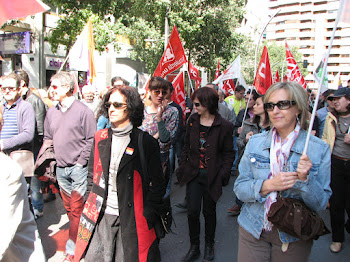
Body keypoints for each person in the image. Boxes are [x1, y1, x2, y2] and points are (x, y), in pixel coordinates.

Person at [234, 81, 332, 262]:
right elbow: (240, 189)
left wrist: (304, 180)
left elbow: (321, 204)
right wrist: (268, 185)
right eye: (270, 105)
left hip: (293, 233)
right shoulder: (256, 143)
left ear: (298, 108)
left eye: (283, 104)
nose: (275, 111)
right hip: (253, 227)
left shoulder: (318, 149)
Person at [74, 86, 165, 262]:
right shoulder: (100, 137)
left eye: (117, 105)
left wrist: (149, 212)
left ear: (130, 107)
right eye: (108, 104)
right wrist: (88, 203)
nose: (111, 109)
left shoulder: (144, 142)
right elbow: (91, 176)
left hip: (133, 220)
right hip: (101, 217)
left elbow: (158, 184)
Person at [176, 87, 234, 262]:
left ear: (208, 104)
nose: (194, 107)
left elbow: (228, 153)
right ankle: (194, 247)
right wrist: (183, 164)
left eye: (197, 104)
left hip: (212, 177)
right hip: (193, 174)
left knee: (209, 212)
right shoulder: (193, 120)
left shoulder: (224, 126)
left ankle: (209, 244)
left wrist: (223, 174)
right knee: (192, 211)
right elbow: (186, 145)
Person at [44, 71, 96, 262]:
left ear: (67, 88)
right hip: (60, 168)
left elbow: (91, 139)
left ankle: (74, 250)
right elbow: (48, 137)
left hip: (78, 168)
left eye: (55, 86)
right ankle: (81, 240)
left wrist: (81, 162)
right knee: (70, 210)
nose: (51, 90)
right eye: (50, 86)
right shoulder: (51, 111)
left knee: (76, 209)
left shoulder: (84, 111)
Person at [0, 109, 46, 262]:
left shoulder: (7, 171)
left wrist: (5, 144)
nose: (7, 91)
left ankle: (39, 208)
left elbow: (29, 134)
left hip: (16, 254)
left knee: (34, 191)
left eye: (10, 87)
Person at [228, 94, 270, 216]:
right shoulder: (248, 122)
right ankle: (241, 205)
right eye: (254, 103)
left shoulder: (274, 128)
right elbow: (239, 143)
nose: (255, 106)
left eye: (258, 104)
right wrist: (246, 140)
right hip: (247, 162)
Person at [16, 69, 48, 218]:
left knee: (34, 179)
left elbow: (40, 128)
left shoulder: (34, 100)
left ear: (21, 84)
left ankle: (37, 207)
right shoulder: (18, 101)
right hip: (20, 149)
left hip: (33, 147)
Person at [322, 87, 350, 253]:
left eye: (339, 99)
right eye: (333, 99)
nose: (335, 102)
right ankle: (337, 238)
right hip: (336, 164)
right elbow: (326, 139)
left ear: (348, 100)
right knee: (336, 204)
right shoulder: (330, 118)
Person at [140, 76, 179, 195]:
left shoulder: (172, 112)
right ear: (150, 92)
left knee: (158, 193)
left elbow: (165, 138)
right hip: (142, 155)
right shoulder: (142, 111)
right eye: (157, 91)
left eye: (164, 92)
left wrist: (159, 118)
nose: (160, 95)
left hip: (160, 157)